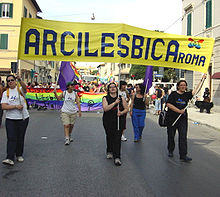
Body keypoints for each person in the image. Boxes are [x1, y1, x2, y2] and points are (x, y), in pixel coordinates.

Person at [166, 74, 206, 162]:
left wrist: (202, 80)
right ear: (178, 86)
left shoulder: (187, 95)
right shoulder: (173, 94)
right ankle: (170, 150)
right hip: (172, 118)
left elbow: (196, 90)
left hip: (182, 119)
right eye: (181, 85)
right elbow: (168, 104)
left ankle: (183, 155)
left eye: (184, 85)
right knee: (171, 135)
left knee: (183, 136)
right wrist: (178, 110)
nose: (183, 87)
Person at [1, 75, 29, 166]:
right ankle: (9, 157)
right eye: (8, 81)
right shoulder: (6, 93)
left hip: (22, 118)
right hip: (10, 119)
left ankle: (19, 154)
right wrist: (15, 106)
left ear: (15, 81)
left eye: (12, 80)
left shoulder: (19, 89)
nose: (10, 82)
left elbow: (25, 88)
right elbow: (4, 106)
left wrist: (20, 79)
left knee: (20, 137)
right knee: (11, 137)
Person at [102, 82, 128, 166]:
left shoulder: (121, 98)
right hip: (108, 120)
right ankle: (109, 150)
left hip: (119, 121)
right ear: (108, 89)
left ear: (116, 89)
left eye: (114, 87)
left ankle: (117, 157)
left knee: (117, 138)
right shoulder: (105, 98)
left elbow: (126, 109)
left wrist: (121, 112)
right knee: (110, 136)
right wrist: (115, 103)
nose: (112, 88)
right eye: (110, 87)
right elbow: (106, 108)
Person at [53, 81, 82, 145]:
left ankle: (69, 134)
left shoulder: (75, 94)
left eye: (73, 85)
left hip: (73, 112)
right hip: (65, 111)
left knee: (71, 125)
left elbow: (77, 102)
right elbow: (58, 98)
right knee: (66, 125)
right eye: (71, 85)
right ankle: (67, 138)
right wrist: (55, 94)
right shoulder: (64, 93)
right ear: (68, 87)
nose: (73, 86)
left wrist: (79, 111)